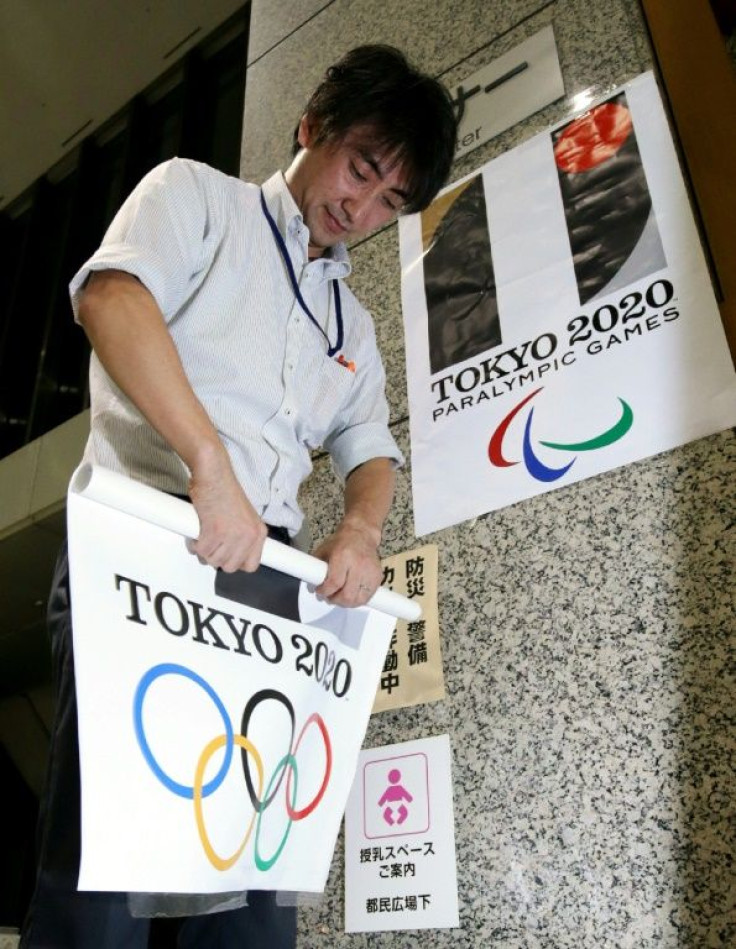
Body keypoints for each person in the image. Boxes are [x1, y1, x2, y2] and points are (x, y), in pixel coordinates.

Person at [21, 44, 456, 949]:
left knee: (258, 875)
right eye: (361, 168)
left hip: (268, 597)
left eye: (390, 201)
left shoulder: (353, 323)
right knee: (109, 870)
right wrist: (210, 469)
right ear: (314, 127)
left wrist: (362, 528)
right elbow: (112, 298)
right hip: (143, 554)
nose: (361, 206)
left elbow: (371, 447)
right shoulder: (198, 197)